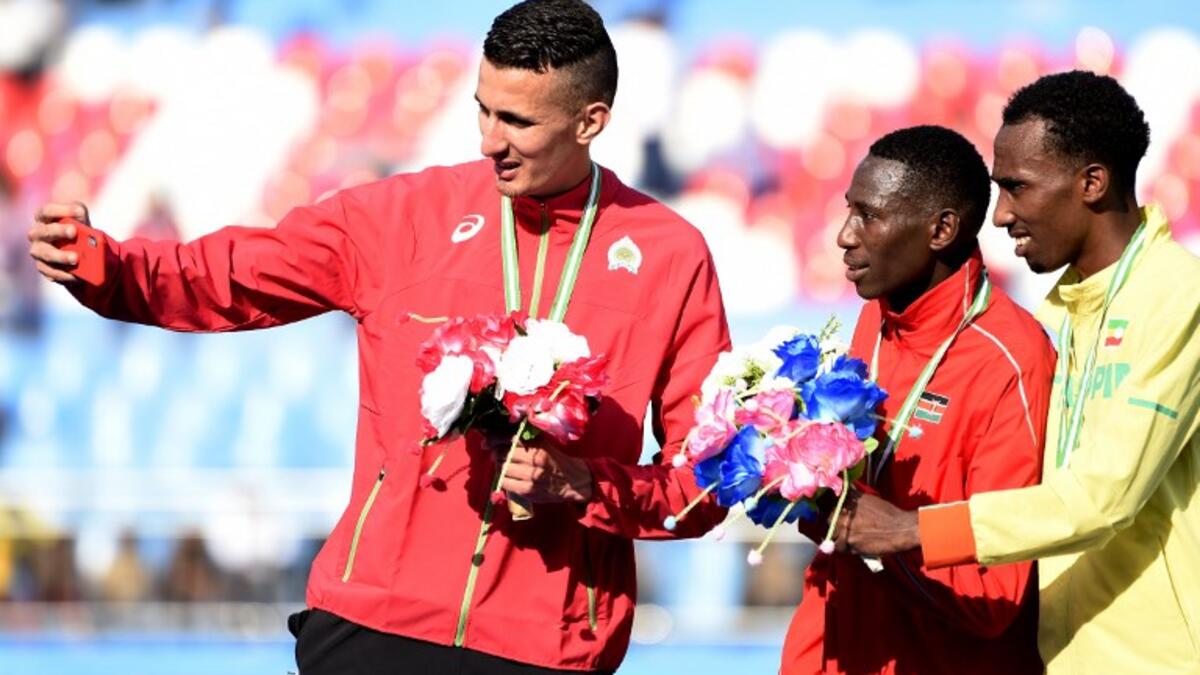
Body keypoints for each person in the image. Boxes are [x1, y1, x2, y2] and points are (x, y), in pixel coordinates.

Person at [25, 1, 730, 672]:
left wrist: (586, 486)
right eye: (481, 111)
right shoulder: (403, 215)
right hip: (373, 630)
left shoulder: (670, 256)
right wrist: (103, 265)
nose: (489, 142)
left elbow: (708, 480)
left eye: (516, 121)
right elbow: (228, 275)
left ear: (590, 121)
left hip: (548, 646)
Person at [833, 71, 1200, 674]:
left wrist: (914, 529)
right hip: (1068, 655)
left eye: (1017, 188)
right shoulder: (1080, 305)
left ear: (1091, 183)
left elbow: (1104, 498)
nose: (1000, 215)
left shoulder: (1174, 295)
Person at [780, 126, 1054, 674]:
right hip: (833, 648)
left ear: (941, 229)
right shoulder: (873, 318)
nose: (844, 235)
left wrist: (888, 537)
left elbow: (996, 595)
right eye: (847, 210)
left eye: (869, 216)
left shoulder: (1013, 359)